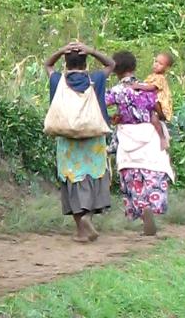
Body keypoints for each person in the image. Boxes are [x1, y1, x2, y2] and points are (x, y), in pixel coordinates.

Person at [45, 41, 115, 243]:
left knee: (73, 181)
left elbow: (48, 65)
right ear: (85, 63)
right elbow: (111, 64)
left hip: (68, 141)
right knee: (93, 178)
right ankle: (88, 217)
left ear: (66, 63)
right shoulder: (96, 79)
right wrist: (92, 50)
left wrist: (59, 50)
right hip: (93, 138)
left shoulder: (58, 80)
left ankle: (80, 230)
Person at [106, 51, 173, 236]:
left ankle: (143, 212)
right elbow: (157, 110)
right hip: (150, 135)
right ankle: (152, 205)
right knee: (151, 173)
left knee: (132, 177)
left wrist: (115, 117)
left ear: (115, 71)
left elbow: (101, 103)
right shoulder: (148, 88)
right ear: (134, 67)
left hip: (127, 137)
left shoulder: (117, 91)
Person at [131, 52, 175, 122]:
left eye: (160, 64)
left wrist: (138, 86)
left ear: (167, 68)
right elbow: (145, 84)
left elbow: (152, 88)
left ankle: (161, 116)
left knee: (153, 100)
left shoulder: (161, 78)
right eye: (156, 61)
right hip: (153, 101)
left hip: (160, 105)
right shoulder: (152, 76)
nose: (156, 65)